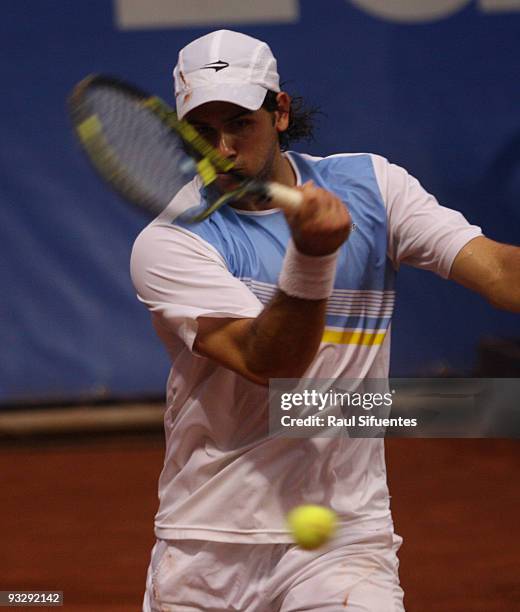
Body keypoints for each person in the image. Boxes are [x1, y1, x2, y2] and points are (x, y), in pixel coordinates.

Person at [130, 29, 520, 612]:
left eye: (240, 123)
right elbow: (275, 366)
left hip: (344, 542)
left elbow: (502, 275)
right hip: (207, 547)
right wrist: (312, 258)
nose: (224, 149)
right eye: (202, 132)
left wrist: (474, 408)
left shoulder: (373, 188)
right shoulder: (170, 242)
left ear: (280, 111)